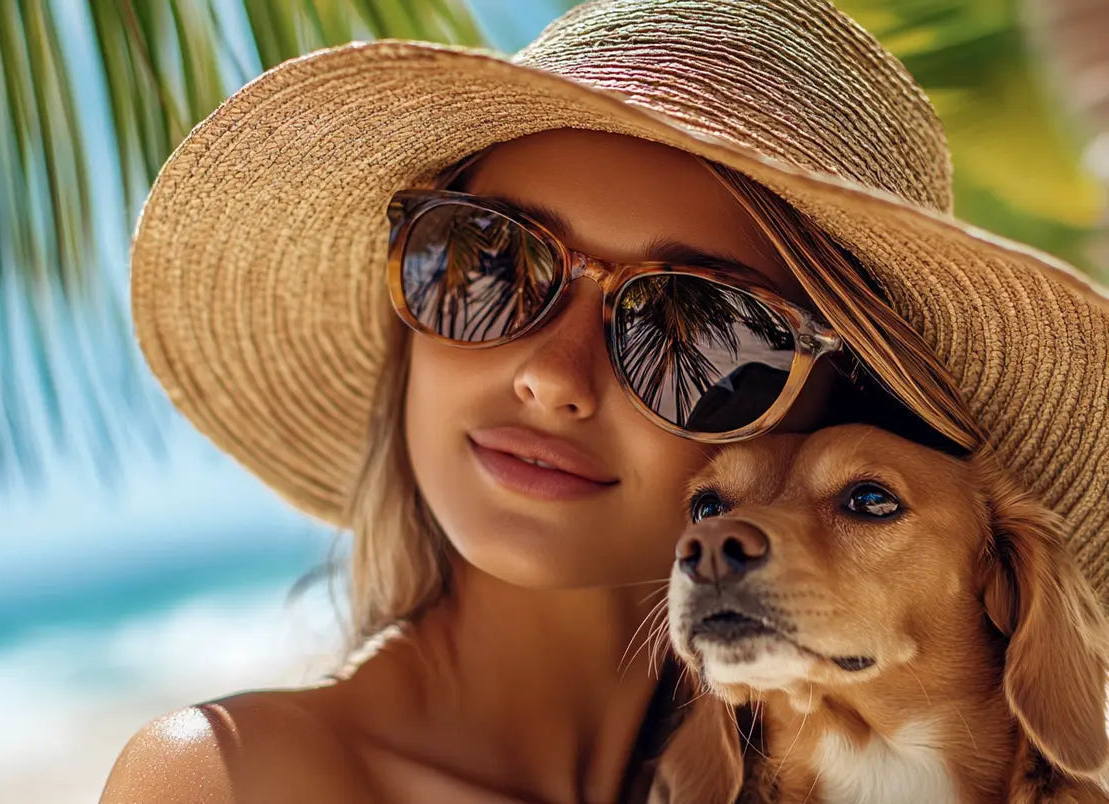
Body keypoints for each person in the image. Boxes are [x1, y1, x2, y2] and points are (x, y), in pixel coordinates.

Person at [101, 0, 1109, 801]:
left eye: (698, 323)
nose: (550, 374)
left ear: (827, 410)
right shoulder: (226, 781)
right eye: (484, 261)